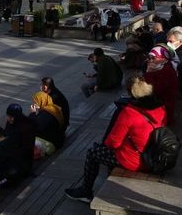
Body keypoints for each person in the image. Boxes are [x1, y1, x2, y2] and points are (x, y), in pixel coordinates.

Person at [64, 75, 167, 204]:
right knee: (111, 151)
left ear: (131, 93)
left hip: (137, 160)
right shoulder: (160, 107)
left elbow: (113, 142)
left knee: (93, 152)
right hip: (154, 154)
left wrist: (104, 146)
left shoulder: (130, 112)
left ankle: (86, 191)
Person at [144, 45, 179, 124]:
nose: (150, 60)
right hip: (158, 103)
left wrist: (148, 73)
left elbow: (154, 89)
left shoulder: (167, 71)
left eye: (154, 58)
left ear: (163, 58)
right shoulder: (159, 67)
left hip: (162, 109)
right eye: (149, 58)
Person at [3, 104, 35, 175]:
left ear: (17, 117)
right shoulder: (11, 122)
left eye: (11, 117)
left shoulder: (26, 127)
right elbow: (6, 134)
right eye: (8, 116)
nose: (8, 119)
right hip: (13, 154)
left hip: (21, 161)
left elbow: (25, 148)